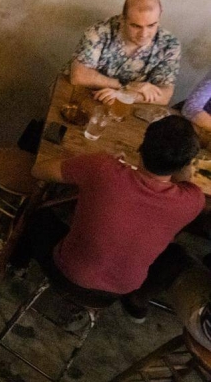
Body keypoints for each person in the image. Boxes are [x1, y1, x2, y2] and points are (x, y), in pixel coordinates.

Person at [21, 115, 205, 321]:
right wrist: (182, 167)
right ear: (185, 165)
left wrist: (104, 163)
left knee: (40, 212)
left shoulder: (102, 167)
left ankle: (17, 262)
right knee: (176, 253)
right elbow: (186, 181)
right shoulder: (194, 201)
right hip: (118, 291)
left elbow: (38, 170)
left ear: (141, 146)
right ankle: (136, 301)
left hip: (66, 273)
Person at [67, 0, 180, 106]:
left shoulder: (169, 44)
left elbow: (164, 96)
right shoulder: (99, 32)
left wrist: (123, 95)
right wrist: (128, 86)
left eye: (151, 25)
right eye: (136, 26)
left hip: (125, 107)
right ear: (123, 18)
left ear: (159, 17)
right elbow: (79, 76)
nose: (144, 34)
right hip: (80, 96)